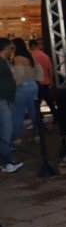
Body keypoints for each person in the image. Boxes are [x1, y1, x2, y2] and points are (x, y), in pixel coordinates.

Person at [11, 39, 41, 143]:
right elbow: (39, 70)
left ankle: (17, 137)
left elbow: (18, 76)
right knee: (34, 111)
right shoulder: (30, 56)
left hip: (22, 87)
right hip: (33, 85)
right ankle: (38, 134)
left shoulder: (17, 58)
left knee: (18, 113)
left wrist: (13, 85)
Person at [0, 39, 23, 173]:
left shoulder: (4, 62)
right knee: (6, 133)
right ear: (6, 48)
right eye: (11, 48)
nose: (13, 51)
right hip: (3, 102)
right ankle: (7, 163)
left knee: (5, 132)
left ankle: (5, 162)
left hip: (6, 100)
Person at [28, 39, 57, 121]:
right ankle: (56, 116)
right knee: (50, 102)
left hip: (36, 83)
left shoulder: (30, 57)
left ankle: (40, 120)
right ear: (37, 46)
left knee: (36, 104)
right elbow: (51, 69)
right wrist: (51, 80)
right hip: (46, 82)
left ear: (30, 47)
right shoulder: (45, 55)